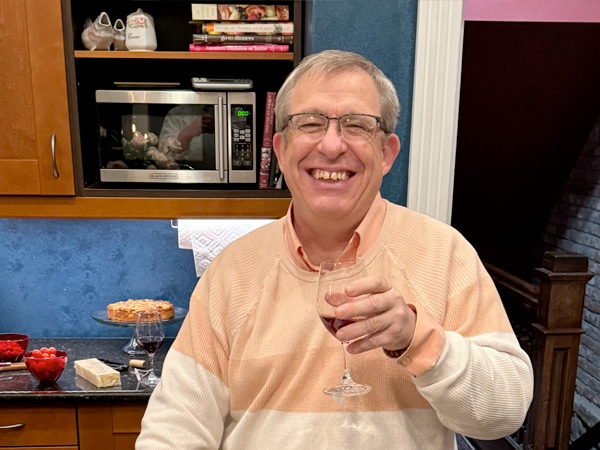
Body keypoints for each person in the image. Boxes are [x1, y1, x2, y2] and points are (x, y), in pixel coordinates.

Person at [136, 49, 533, 450]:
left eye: (357, 125)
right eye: (309, 123)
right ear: (280, 150)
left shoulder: (445, 253)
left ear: (386, 153)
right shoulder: (231, 272)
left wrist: (419, 340)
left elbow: (505, 412)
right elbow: (173, 431)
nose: (330, 145)